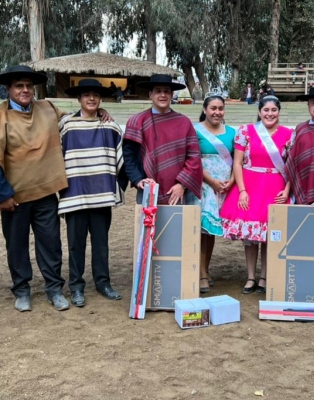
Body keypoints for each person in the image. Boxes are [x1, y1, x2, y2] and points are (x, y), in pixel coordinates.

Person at [0, 65, 73, 312]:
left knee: (51, 243)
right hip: (14, 197)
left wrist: (100, 112)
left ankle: (54, 289)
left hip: (46, 192)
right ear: (8, 89)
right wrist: (2, 194)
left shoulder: (48, 109)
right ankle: (21, 290)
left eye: (29, 85)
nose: (25, 90)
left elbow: (75, 122)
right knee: (16, 245)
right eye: (19, 86)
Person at [57, 79, 126, 306]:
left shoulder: (110, 127)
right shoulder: (66, 125)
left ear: (101, 99)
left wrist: (116, 187)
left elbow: (121, 160)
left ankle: (103, 283)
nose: (91, 99)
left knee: (101, 242)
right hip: (75, 194)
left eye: (95, 95)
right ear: (78, 99)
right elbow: (55, 156)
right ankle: (76, 287)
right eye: (86, 94)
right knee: (75, 244)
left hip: (101, 195)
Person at [220, 95, 292, 294]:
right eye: (266, 110)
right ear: (260, 112)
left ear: (279, 112)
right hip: (250, 185)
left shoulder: (288, 134)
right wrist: (242, 190)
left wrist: (287, 190)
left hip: (276, 186)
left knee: (270, 235)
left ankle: (265, 277)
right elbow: (237, 163)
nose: (270, 114)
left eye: (274, 110)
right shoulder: (246, 131)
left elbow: (292, 166)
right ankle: (251, 277)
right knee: (251, 237)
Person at [123, 74, 203, 205]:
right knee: (147, 225)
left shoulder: (184, 123)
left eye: (166, 91)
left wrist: (182, 185)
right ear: (150, 94)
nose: (163, 95)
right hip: (147, 189)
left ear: (172, 95)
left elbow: (193, 156)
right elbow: (129, 156)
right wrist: (138, 180)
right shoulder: (137, 122)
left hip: (176, 193)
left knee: (177, 225)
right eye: (158, 91)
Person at [186, 95, 237, 293]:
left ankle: (205, 270)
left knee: (210, 233)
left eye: (220, 108)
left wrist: (231, 181)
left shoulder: (232, 132)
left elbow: (238, 161)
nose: (217, 112)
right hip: (204, 186)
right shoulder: (195, 130)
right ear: (205, 109)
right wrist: (212, 182)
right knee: (200, 231)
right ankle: (200, 274)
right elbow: (193, 160)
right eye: (213, 108)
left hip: (224, 187)